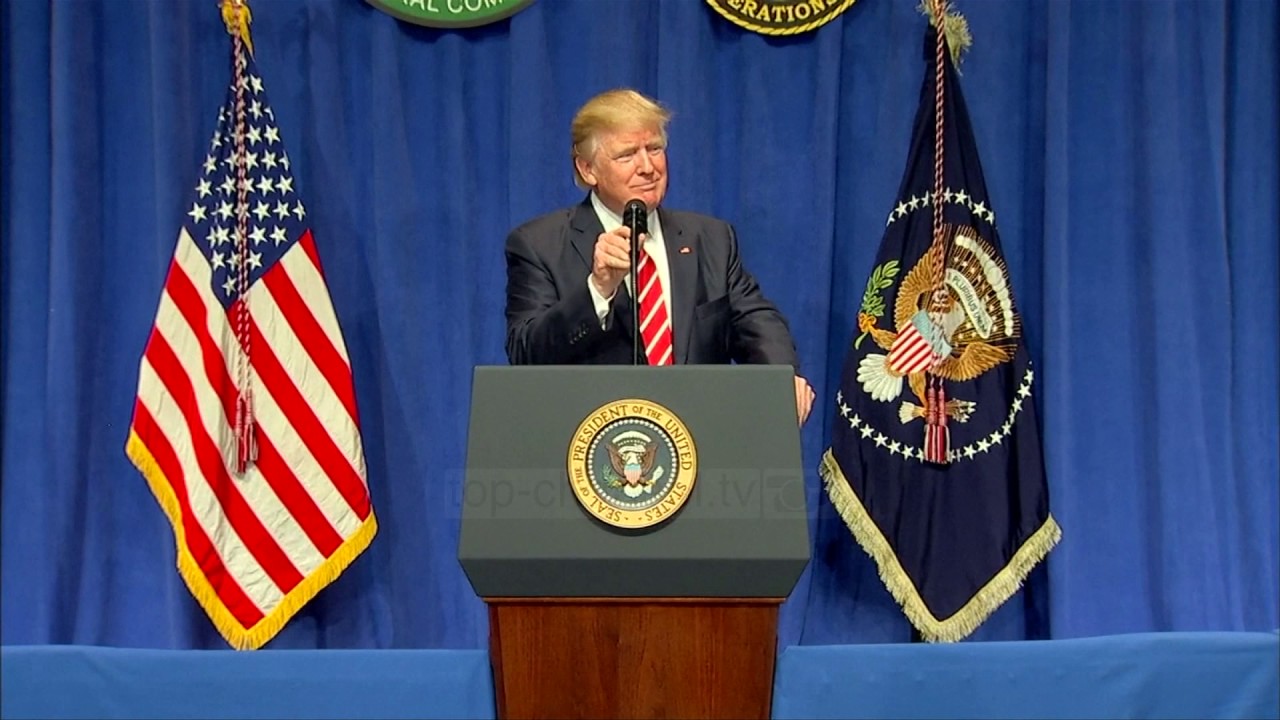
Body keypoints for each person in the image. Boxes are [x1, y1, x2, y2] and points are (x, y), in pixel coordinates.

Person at [504, 88, 815, 425]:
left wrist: (782, 376)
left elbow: (756, 320)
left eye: (654, 149)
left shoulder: (711, 239)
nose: (648, 167)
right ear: (588, 169)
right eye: (627, 155)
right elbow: (526, 352)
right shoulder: (539, 244)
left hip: (697, 436)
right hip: (593, 440)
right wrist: (598, 290)